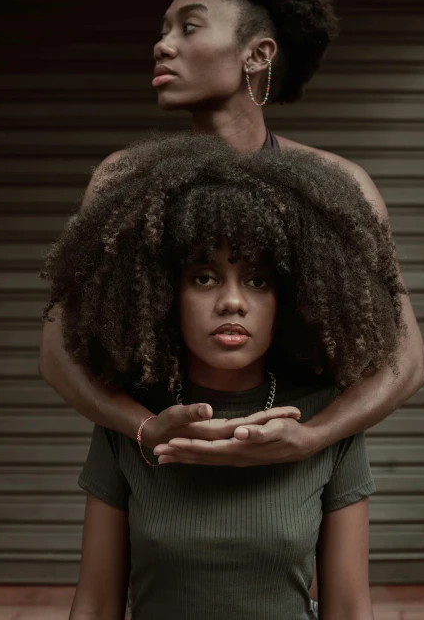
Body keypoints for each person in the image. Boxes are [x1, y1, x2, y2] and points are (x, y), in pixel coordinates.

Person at [39, 0, 424, 471]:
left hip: (297, 476)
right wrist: (145, 428)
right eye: (163, 28)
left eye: (188, 27)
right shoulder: (122, 180)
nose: (162, 43)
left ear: (256, 53)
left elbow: (407, 363)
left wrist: (312, 439)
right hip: (161, 463)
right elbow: (56, 354)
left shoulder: (340, 186)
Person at [42, 133, 405, 619]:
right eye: (204, 277)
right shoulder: (133, 424)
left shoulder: (323, 422)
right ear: (165, 293)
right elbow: (95, 604)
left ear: (290, 300)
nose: (233, 302)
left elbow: (349, 609)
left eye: (258, 281)